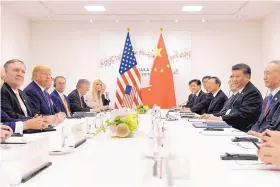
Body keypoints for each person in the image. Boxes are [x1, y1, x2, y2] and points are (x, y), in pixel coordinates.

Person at [201, 63, 263, 132]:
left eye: (237, 76)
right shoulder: (240, 91)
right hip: (233, 127)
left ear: (247, 77)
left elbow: (243, 115)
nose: (234, 79)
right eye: (233, 76)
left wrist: (220, 118)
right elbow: (228, 112)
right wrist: (212, 116)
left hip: (242, 131)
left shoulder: (252, 92)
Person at [249, 60, 280, 134]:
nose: (264, 77)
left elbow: (275, 126)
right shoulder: (267, 99)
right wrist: (251, 132)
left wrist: (256, 134)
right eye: (264, 73)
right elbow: (259, 121)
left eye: (268, 73)